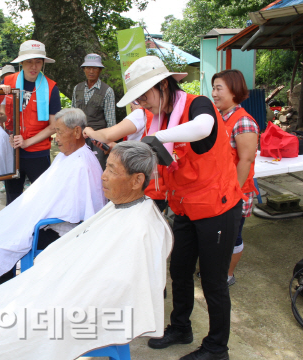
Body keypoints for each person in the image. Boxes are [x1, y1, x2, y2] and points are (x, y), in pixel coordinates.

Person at [0, 141, 173, 360]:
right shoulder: (122, 206)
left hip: (89, 305)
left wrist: (69, 289)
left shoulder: (141, 227)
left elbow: (121, 288)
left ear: (137, 180)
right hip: (75, 286)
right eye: (106, 167)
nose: (103, 176)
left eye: (112, 170)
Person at [118, 56, 243, 360]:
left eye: (145, 96)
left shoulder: (197, 104)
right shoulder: (158, 116)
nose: (143, 104)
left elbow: (203, 128)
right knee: (179, 270)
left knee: (214, 282)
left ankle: (217, 348)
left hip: (217, 207)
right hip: (185, 207)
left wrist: (157, 137)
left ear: (162, 85)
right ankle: (180, 327)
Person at [0, 108, 105, 302]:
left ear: (77, 132)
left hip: (63, 229)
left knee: (3, 242)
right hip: (46, 218)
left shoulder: (81, 164)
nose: (55, 138)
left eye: (59, 132)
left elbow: (71, 211)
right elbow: (46, 192)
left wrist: (31, 216)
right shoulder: (66, 156)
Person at [0, 40, 61, 205]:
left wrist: (27, 142)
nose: (33, 66)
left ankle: (40, 230)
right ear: (21, 63)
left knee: (43, 198)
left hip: (38, 152)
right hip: (12, 151)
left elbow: (54, 126)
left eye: (38, 62)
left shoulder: (51, 87)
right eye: (29, 62)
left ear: (43, 63)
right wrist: (0, 94)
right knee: (12, 198)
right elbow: (1, 116)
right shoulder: (8, 82)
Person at [212, 70, 259, 287]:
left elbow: (246, 160)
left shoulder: (244, 122)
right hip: (220, 190)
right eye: (213, 88)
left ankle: (227, 275)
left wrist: (234, 193)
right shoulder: (220, 117)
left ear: (234, 90)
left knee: (233, 235)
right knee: (220, 234)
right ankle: (217, 269)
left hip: (236, 193)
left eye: (218, 88)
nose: (214, 93)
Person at [83, 100, 172, 211]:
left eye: (132, 104)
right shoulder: (164, 115)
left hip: (143, 188)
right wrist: (114, 147)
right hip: (159, 186)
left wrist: (89, 131)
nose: (130, 109)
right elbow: (137, 152)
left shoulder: (141, 114)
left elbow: (107, 135)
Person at [72, 53, 116, 169]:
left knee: (97, 170)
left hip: (98, 141)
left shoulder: (107, 91)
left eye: (95, 68)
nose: (91, 71)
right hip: (79, 139)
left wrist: (109, 144)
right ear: (83, 69)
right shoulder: (77, 88)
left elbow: (111, 122)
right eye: (88, 68)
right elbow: (72, 116)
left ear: (100, 70)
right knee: (79, 170)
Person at [0, 64, 17, 132]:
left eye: (11, 76)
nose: (9, 78)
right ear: (2, 78)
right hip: (8, 126)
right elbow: (0, 108)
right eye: (6, 76)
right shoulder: (0, 92)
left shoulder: (19, 89)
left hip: (19, 126)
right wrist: (1, 123)